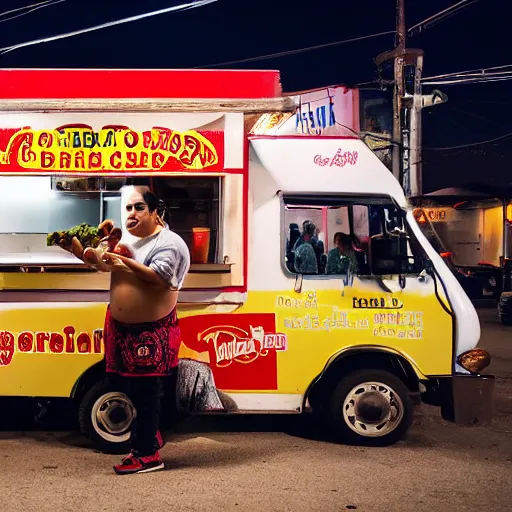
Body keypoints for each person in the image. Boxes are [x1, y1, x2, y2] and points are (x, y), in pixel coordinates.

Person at [74, 185, 190, 475]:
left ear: (154, 212)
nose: (132, 214)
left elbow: (159, 279)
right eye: (128, 208)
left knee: (146, 391)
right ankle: (147, 436)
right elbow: (104, 265)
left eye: (139, 208)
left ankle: (148, 455)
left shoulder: (168, 242)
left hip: (150, 331)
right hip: (123, 328)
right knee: (127, 387)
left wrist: (122, 261)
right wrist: (82, 253)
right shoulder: (127, 239)